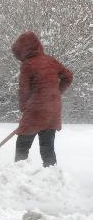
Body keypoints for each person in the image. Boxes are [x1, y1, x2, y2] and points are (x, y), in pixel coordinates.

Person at [11, 31, 73, 167]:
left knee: (22, 144)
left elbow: (24, 89)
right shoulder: (51, 61)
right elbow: (68, 77)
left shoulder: (28, 64)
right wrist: (56, 93)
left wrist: (23, 107)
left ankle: (18, 173)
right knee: (47, 146)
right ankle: (52, 176)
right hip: (53, 110)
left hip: (36, 110)